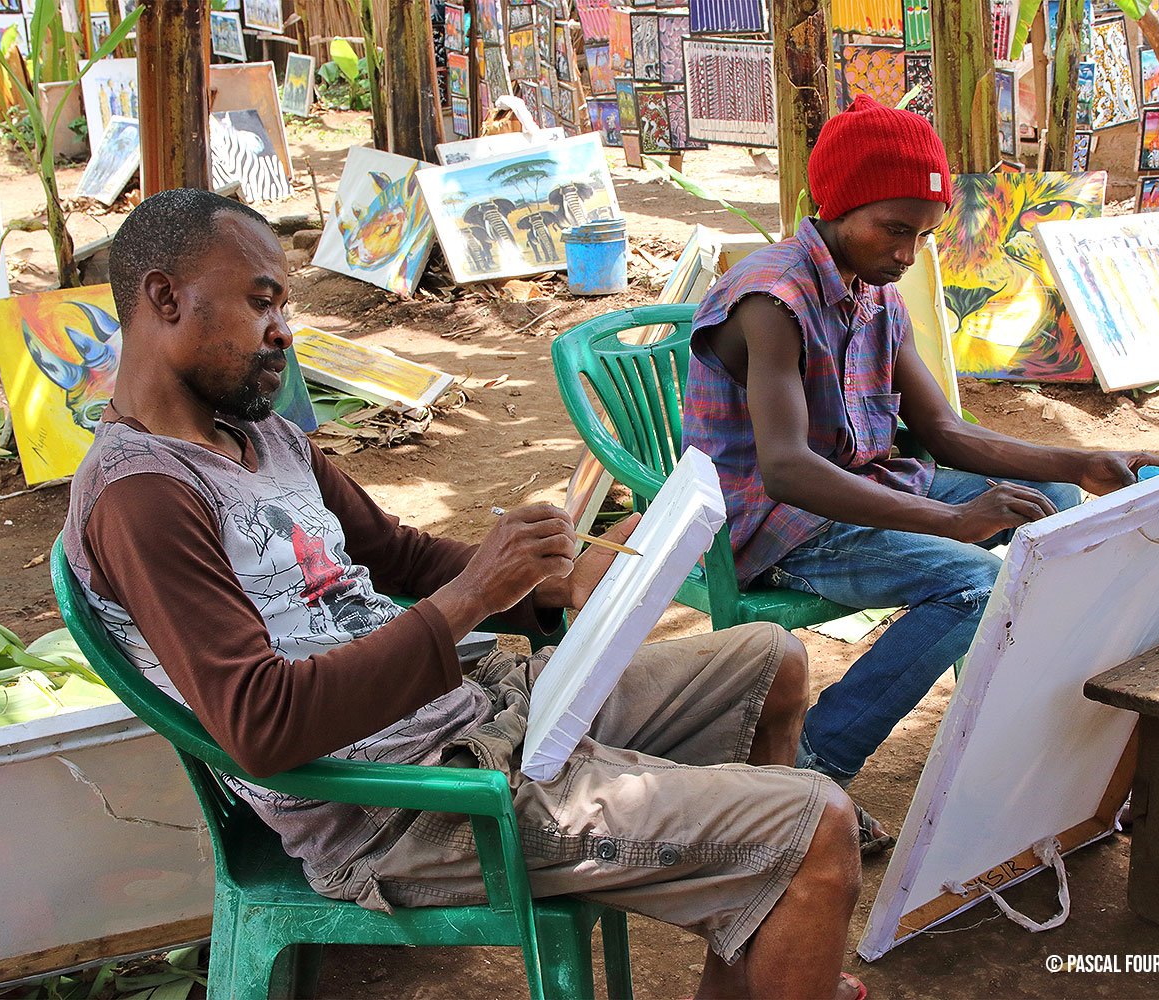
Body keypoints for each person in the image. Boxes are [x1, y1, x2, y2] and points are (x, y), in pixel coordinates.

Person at [61, 189, 866, 1000]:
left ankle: (764, 957)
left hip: (480, 711)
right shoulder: (143, 499)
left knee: (776, 662)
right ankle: (786, 907)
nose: (283, 330)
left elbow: (395, 557)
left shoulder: (262, 436)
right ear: (164, 297)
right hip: (408, 808)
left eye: (284, 306)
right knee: (817, 828)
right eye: (260, 302)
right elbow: (263, 726)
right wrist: (473, 598)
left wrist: (550, 584)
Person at [681, 96, 1159, 851]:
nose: (910, 253)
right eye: (896, 228)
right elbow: (784, 471)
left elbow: (942, 429)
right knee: (971, 579)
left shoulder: (872, 291)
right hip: (780, 523)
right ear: (837, 205)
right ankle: (811, 765)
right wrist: (953, 522)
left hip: (867, 488)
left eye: (924, 233)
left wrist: (1083, 462)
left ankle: (1014, 724)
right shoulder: (772, 299)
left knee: (1057, 501)